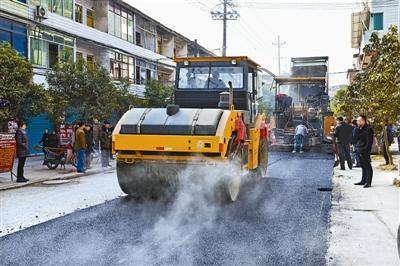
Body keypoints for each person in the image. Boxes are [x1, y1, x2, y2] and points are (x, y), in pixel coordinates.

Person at [354, 115, 374, 188]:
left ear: (363, 121)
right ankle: (363, 180)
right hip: (359, 149)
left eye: (358, 121)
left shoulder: (368, 129)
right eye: (357, 121)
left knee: (367, 166)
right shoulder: (360, 128)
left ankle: (368, 182)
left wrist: (365, 150)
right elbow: (357, 138)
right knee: (363, 166)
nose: (357, 122)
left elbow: (369, 141)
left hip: (364, 151)